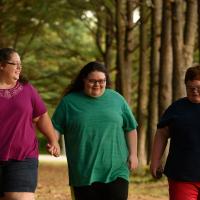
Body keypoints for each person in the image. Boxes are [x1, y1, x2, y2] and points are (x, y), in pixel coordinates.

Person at [52, 61, 138, 200]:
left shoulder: (117, 99)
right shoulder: (69, 102)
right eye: (92, 81)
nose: (97, 84)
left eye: (101, 81)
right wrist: (54, 142)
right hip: (83, 170)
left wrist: (133, 154)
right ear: (83, 80)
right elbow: (56, 127)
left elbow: (131, 128)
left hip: (117, 168)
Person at [0, 48, 60, 200]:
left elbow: (41, 116)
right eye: (15, 64)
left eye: (21, 64)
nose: (19, 67)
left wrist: (53, 140)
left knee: (21, 198)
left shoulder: (27, 89)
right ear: (1, 65)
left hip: (23, 156)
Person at [150, 64, 200, 200]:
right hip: (182, 176)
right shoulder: (176, 109)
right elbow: (162, 134)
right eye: (191, 88)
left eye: (198, 88)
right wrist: (155, 161)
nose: (195, 91)